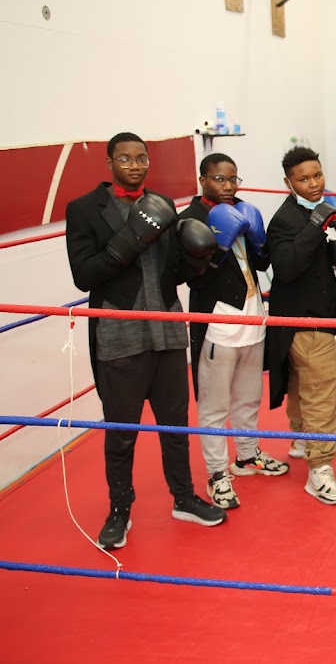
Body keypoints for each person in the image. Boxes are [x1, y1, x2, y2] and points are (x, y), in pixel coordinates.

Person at [65, 132, 225, 550]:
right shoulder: (84, 210)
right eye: (125, 159)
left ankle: (184, 497)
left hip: (168, 328)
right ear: (109, 162)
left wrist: (200, 256)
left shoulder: (163, 204)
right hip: (120, 334)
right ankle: (120, 509)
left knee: (175, 424)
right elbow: (85, 276)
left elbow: (171, 272)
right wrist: (133, 236)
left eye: (141, 158)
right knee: (121, 432)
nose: (135, 166)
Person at [179, 153, 288, 510]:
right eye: (220, 180)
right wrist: (217, 248)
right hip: (218, 323)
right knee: (214, 404)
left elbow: (262, 263)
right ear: (203, 180)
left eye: (233, 180)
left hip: (253, 318)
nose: (228, 187)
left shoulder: (243, 210)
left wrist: (258, 240)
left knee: (248, 396)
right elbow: (188, 276)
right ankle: (216, 473)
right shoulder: (189, 220)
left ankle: (246, 455)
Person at [265, 146, 336, 505]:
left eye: (317, 175)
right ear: (288, 182)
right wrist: (316, 225)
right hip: (305, 319)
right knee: (321, 390)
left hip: (322, 317)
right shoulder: (285, 220)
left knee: (302, 384)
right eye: (303, 179)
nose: (314, 183)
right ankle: (320, 469)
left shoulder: (329, 212)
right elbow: (284, 268)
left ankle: (302, 438)